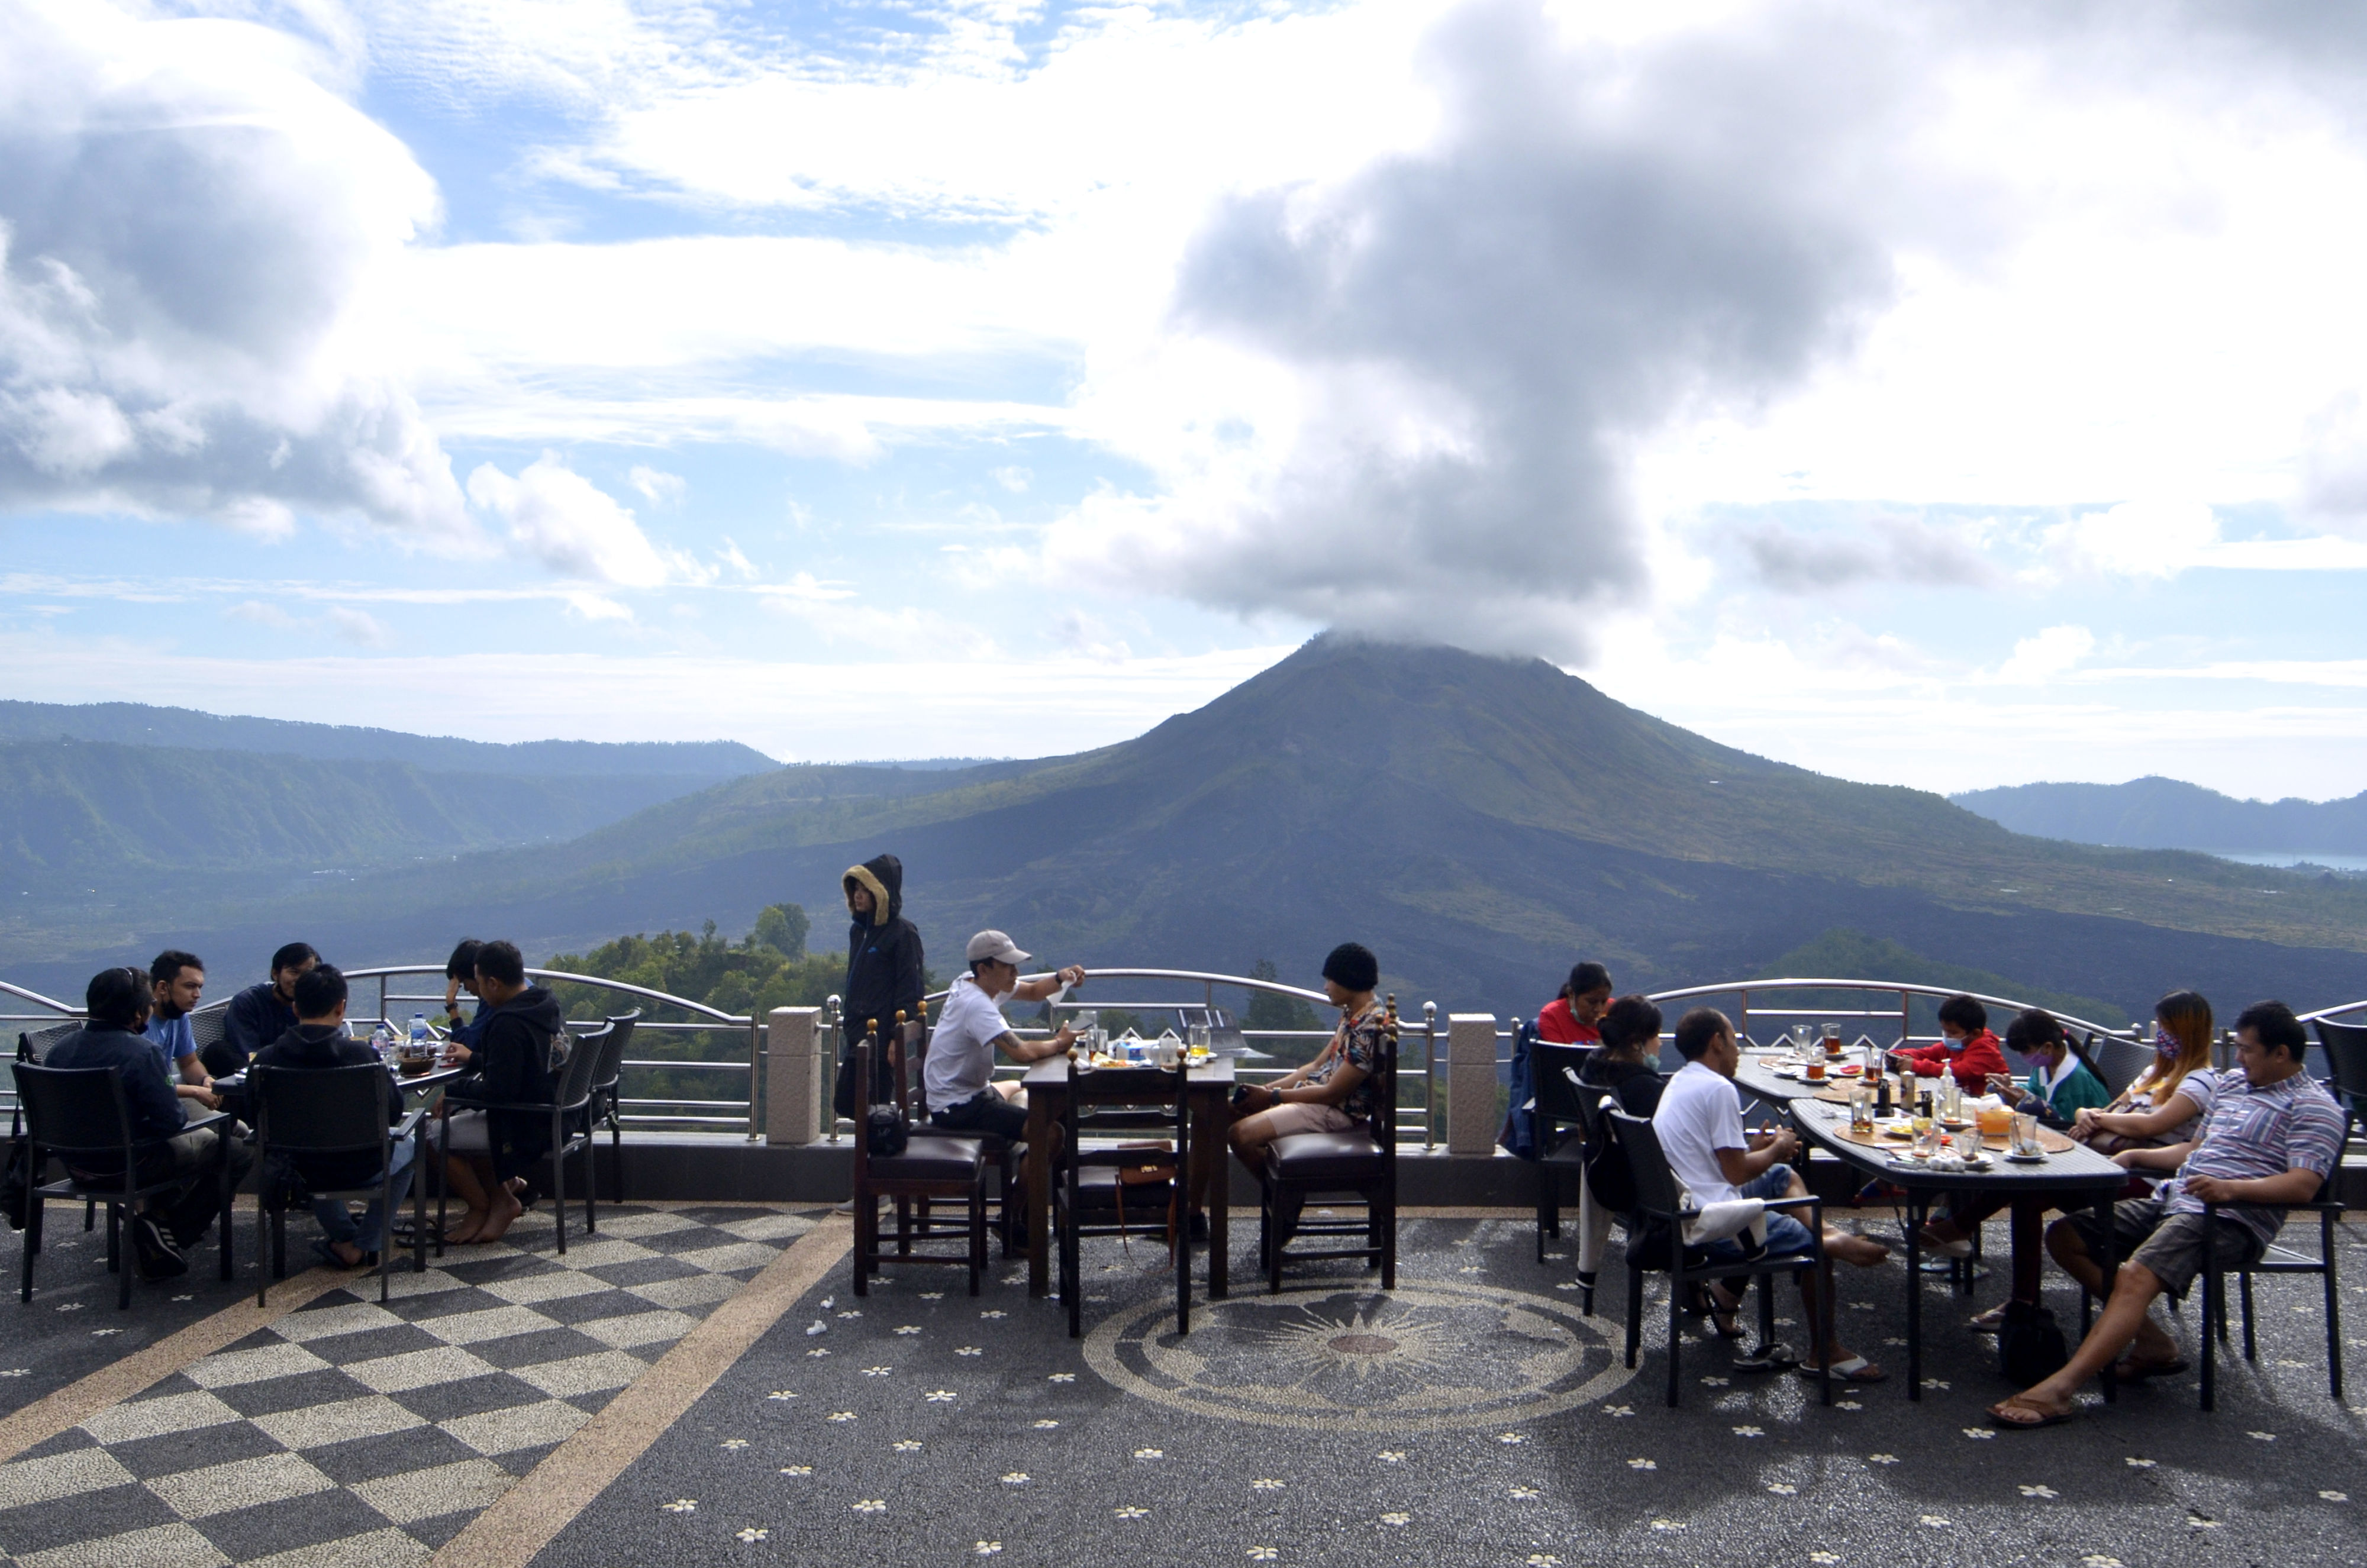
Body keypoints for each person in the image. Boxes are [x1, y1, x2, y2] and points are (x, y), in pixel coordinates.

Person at [1989, 1001, 2346, 1428]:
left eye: (2247, 1049)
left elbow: (2303, 1185)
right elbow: (2194, 1150)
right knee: (2066, 1237)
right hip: (2175, 1197)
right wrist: (2135, 1157)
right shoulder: (2233, 1085)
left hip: (2231, 1216)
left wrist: (2231, 1189)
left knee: (2137, 1274)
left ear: (2281, 1053)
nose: (2239, 1057)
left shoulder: (2314, 1107)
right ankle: (2153, 1342)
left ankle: (2060, 1391)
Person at [1652, 1006, 1891, 1379]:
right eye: (1734, 1041)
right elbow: (1735, 1173)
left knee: (1781, 1175)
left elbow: (1716, 1162)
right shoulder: (1718, 1088)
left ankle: (1826, 1233)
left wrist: (1759, 1152)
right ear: (1717, 1043)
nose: (1738, 1051)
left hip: (1685, 1206)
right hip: (1714, 1222)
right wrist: (1778, 1147)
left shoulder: (1682, 1082)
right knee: (1816, 1251)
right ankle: (1825, 1352)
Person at [46, 967, 253, 1280]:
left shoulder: (59, 1052)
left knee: (206, 1142)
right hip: (134, 1165)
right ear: (138, 1012)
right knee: (238, 1151)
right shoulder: (142, 1053)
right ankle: (167, 1233)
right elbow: (171, 1121)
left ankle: (158, 1221)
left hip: (77, 1167)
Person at [1917, 1009, 2110, 1318]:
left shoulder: (2078, 1080)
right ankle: (2017, 1296)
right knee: (2021, 1191)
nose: (2025, 1059)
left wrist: (2032, 1106)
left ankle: (1960, 1228)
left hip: (2082, 1169)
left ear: (2048, 1047)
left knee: (2022, 1190)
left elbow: (2073, 1130)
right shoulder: (2047, 1066)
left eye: (2027, 1052)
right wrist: (2015, 1095)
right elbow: (2039, 1104)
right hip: (2054, 1158)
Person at [250, 964, 417, 1269]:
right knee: (411, 1144)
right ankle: (365, 1242)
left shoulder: (266, 1060)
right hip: (361, 1168)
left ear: (296, 1008)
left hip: (296, 1172)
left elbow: (253, 1112)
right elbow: (393, 1112)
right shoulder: (363, 1057)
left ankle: (344, 1237)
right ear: (341, 1007)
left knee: (311, 1149)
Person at [434, 940, 562, 1244]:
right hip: (554, 1111)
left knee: (434, 1135)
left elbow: (497, 1093)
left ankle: (487, 1205)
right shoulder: (543, 1002)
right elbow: (518, 1066)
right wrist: (475, 1060)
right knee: (466, 1118)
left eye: (478, 983)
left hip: (527, 1123)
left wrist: (452, 1090)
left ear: (493, 983)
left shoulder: (507, 1022)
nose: (477, 991)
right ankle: (501, 1194)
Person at [1227, 943, 1386, 1177]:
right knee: (1223, 1110)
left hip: (1335, 1112)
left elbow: (1332, 1094)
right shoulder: (1355, 1013)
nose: (1326, 987)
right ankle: (1194, 1198)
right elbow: (1316, 1065)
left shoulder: (1370, 1026)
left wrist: (1272, 1097)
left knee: (1240, 1135)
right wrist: (1265, 1090)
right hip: (1317, 1101)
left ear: (1349, 979)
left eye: (1330, 980)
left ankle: (1282, 1195)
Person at [922, 931, 1085, 1141]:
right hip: (957, 1106)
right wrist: (1060, 1043)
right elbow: (1022, 1053)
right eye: (1008, 966)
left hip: (969, 1091)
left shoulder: (975, 981)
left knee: (1028, 1092)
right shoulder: (976, 1005)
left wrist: (1060, 978)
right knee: (1052, 1133)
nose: (1016, 972)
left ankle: (1036, 1161)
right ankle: (1026, 1165)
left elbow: (1034, 992)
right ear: (984, 969)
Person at [1571, 995, 1665, 1300]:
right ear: (1638, 1043)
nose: (1661, 1043)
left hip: (1603, 1169)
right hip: (1644, 1188)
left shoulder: (1593, 1067)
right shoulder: (1644, 1088)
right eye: (1656, 1036)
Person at [2073, 989, 2218, 1158]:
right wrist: (2083, 1113)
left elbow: (2150, 1125)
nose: (2161, 1034)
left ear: (2187, 1033)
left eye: (2166, 1028)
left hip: (2141, 1167)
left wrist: (2095, 1119)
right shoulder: (2152, 1073)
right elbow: (2112, 1110)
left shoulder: (2201, 1082)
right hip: (2108, 1157)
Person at [834, 854, 925, 1122]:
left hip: (881, 1035)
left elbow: (910, 988)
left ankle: (882, 1145)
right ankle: (876, 1143)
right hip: (857, 1031)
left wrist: (896, 1037)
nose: (859, 895)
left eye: (866, 889)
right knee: (848, 1103)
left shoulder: (902, 933)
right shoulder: (859, 932)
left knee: (876, 1105)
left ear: (881, 893)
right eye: (856, 889)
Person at [217, 942, 318, 1075]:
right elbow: (248, 1053)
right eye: (294, 972)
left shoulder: (313, 1004)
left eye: (307, 974)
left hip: (299, 1073)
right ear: (275, 973)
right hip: (259, 1074)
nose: (300, 980)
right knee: (217, 1050)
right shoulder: (247, 1003)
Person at [144, 950, 221, 1109]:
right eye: (190, 987)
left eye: (199, 987)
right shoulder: (140, 1022)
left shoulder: (179, 1015)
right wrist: (195, 1091)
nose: (197, 995)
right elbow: (146, 1084)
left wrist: (205, 1079)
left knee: (233, 1123)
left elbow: (189, 1063)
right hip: (147, 1104)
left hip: (169, 1095)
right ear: (163, 987)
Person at [1892, 993, 2008, 1090]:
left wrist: (1916, 1066)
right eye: (1945, 1031)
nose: (1948, 1037)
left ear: (1975, 1034)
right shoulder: (1955, 1045)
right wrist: (1897, 1056)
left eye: (1953, 1033)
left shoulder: (1986, 1050)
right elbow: (1926, 1053)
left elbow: (1959, 1071)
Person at [1537, 962, 1613, 1044]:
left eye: (1604, 1002)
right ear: (1571, 994)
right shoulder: (1552, 1016)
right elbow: (1557, 1052)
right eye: (1592, 1002)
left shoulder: (1614, 1011)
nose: (1598, 1009)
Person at [440, 938, 489, 1048]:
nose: (466, 989)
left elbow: (467, 1045)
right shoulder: (522, 987)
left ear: (476, 974)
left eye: (464, 982)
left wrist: (451, 1005)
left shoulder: (491, 1001)